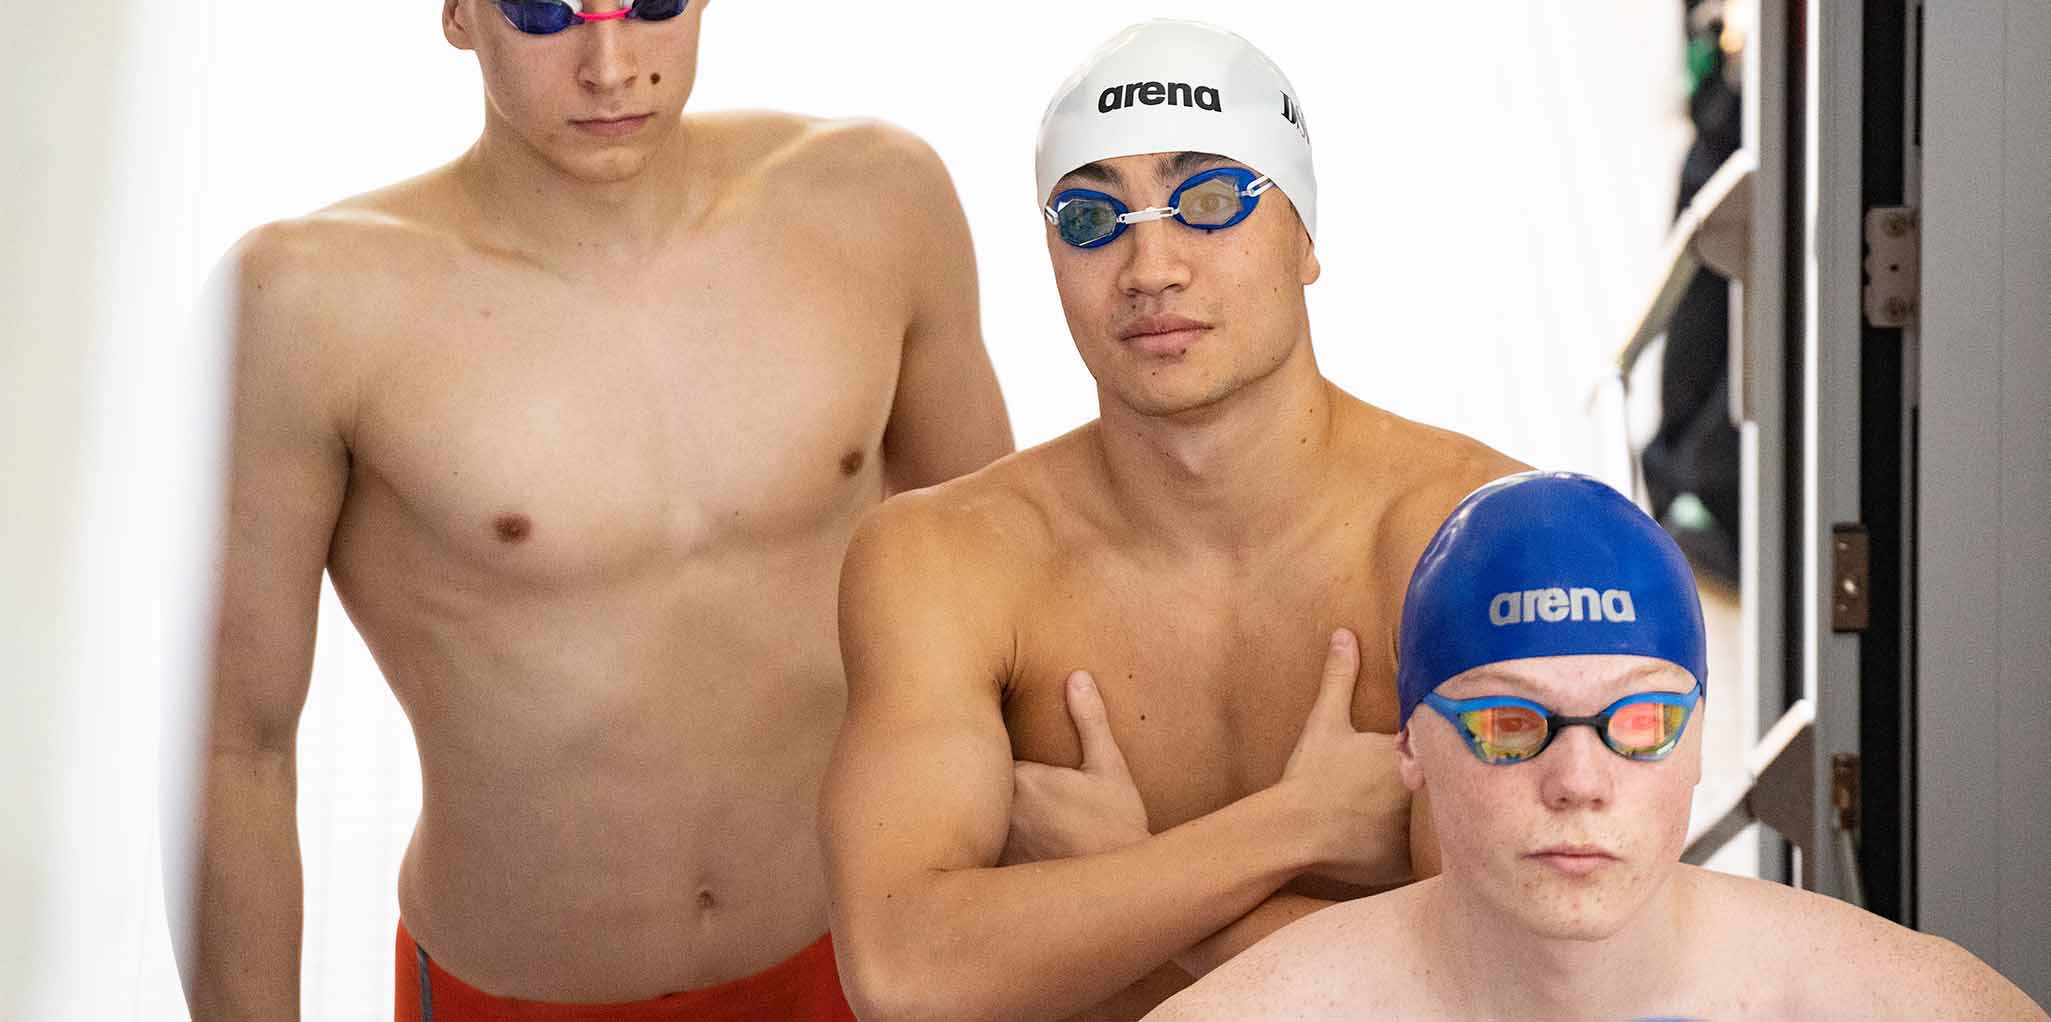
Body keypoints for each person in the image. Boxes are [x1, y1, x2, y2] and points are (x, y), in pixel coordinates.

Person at [172, 0, 1012, 1018]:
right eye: (543, 13)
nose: (610, 67)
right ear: (457, 13)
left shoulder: (879, 201)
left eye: (651, 5)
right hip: (516, 994)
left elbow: (1002, 613)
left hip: (873, 959)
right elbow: (235, 748)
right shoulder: (305, 302)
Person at [820, 19, 1523, 1022]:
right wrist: (1296, 826)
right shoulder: (945, 558)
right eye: (1091, 217)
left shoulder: (1472, 540)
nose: (1150, 265)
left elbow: (1498, 989)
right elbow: (904, 971)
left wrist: (1125, 875)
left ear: (1304, 235)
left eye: (1209, 200)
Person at [1145, 472, 2047, 1021]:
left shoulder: (1905, 1006)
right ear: (1409, 744)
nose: (1578, 782)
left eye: (1639, 722)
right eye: (1509, 725)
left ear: (1698, 738)